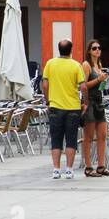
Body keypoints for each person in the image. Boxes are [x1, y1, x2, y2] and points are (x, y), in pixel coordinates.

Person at [42, 39, 87, 180]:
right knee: (71, 139)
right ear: (71, 50)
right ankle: (68, 169)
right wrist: (85, 102)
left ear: (58, 50)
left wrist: (48, 100)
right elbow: (84, 87)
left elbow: (45, 85)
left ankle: (56, 169)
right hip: (73, 107)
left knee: (56, 139)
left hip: (55, 106)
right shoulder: (76, 65)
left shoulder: (50, 64)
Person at [81, 40, 109, 177]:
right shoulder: (86, 65)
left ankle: (101, 165)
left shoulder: (99, 64)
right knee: (88, 137)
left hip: (99, 102)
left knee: (102, 135)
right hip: (90, 102)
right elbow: (83, 85)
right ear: (89, 50)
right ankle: (88, 167)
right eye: (94, 48)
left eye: (99, 48)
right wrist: (98, 80)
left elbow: (101, 87)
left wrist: (108, 80)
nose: (97, 50)